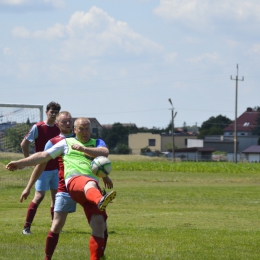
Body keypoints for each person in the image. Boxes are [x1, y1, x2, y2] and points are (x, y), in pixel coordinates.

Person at [6, 117, 116, 260]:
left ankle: (97, 256)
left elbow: (104, 152)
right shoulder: (66, 143)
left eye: (87, 129)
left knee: (99, 224)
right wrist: (20, 163)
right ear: (74, 130)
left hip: (90, 190)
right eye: (81, 129)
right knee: (57, 224)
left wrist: (84, 150)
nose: (84, 132)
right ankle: (47, 258)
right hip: (73, 184)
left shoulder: (97, 143)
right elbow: (43, 156)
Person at [20, 101, 61, 235]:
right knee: (39, 196)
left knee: (56, 198)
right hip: (42, 169)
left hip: (56, 169)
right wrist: (29, 161)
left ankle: (54, 227)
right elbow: (24, 144)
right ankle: (26, 228)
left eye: (56, 112)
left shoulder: (58, 128)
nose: (53, 114)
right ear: (47, 112)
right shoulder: (38, 127)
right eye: (51, 111)